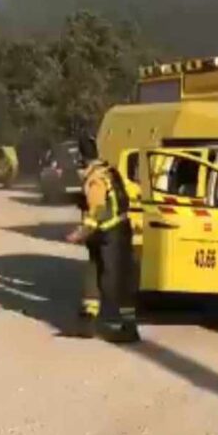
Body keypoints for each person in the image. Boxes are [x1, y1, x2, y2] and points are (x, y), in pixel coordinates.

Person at [66, 135, 139, 343]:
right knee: (92, 274)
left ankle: (129, 328)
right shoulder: (110, 171)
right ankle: (87, 322)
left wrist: (79, 233)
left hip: (110, 234)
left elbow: (96, 211)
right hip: (113, 232)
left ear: (82, 158)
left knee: (115, 281)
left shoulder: (95, 179)